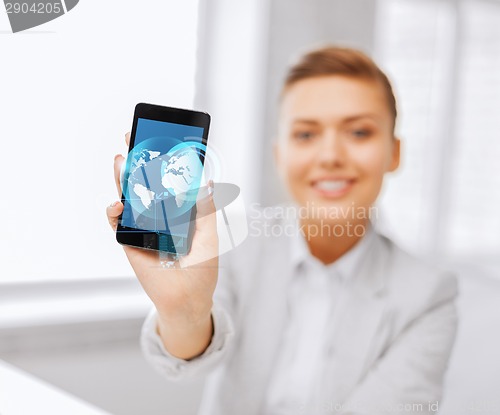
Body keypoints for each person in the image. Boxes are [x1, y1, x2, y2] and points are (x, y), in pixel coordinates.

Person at [106, 46, 458, 415]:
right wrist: (185, 312)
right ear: (279, 154)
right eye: (306, 135)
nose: (330, 156)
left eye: (359, 131)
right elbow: (191, 355)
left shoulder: (429, 296)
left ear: (394, 152)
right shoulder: (234, 241)